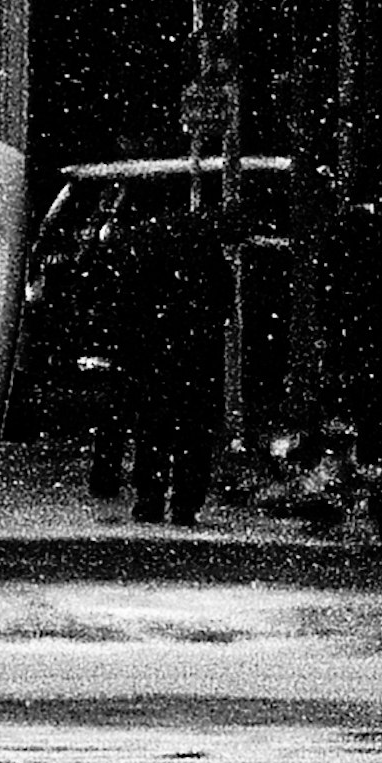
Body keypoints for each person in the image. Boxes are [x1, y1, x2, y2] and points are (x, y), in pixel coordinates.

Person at [117, 184, 227, 531]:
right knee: (193, 431)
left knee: (154, 426)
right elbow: (221, 295)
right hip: (194, 350)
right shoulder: (204, 245)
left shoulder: (146, 242)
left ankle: (150, 496)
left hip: (157, 349)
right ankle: (185, 501)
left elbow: (130, 297)